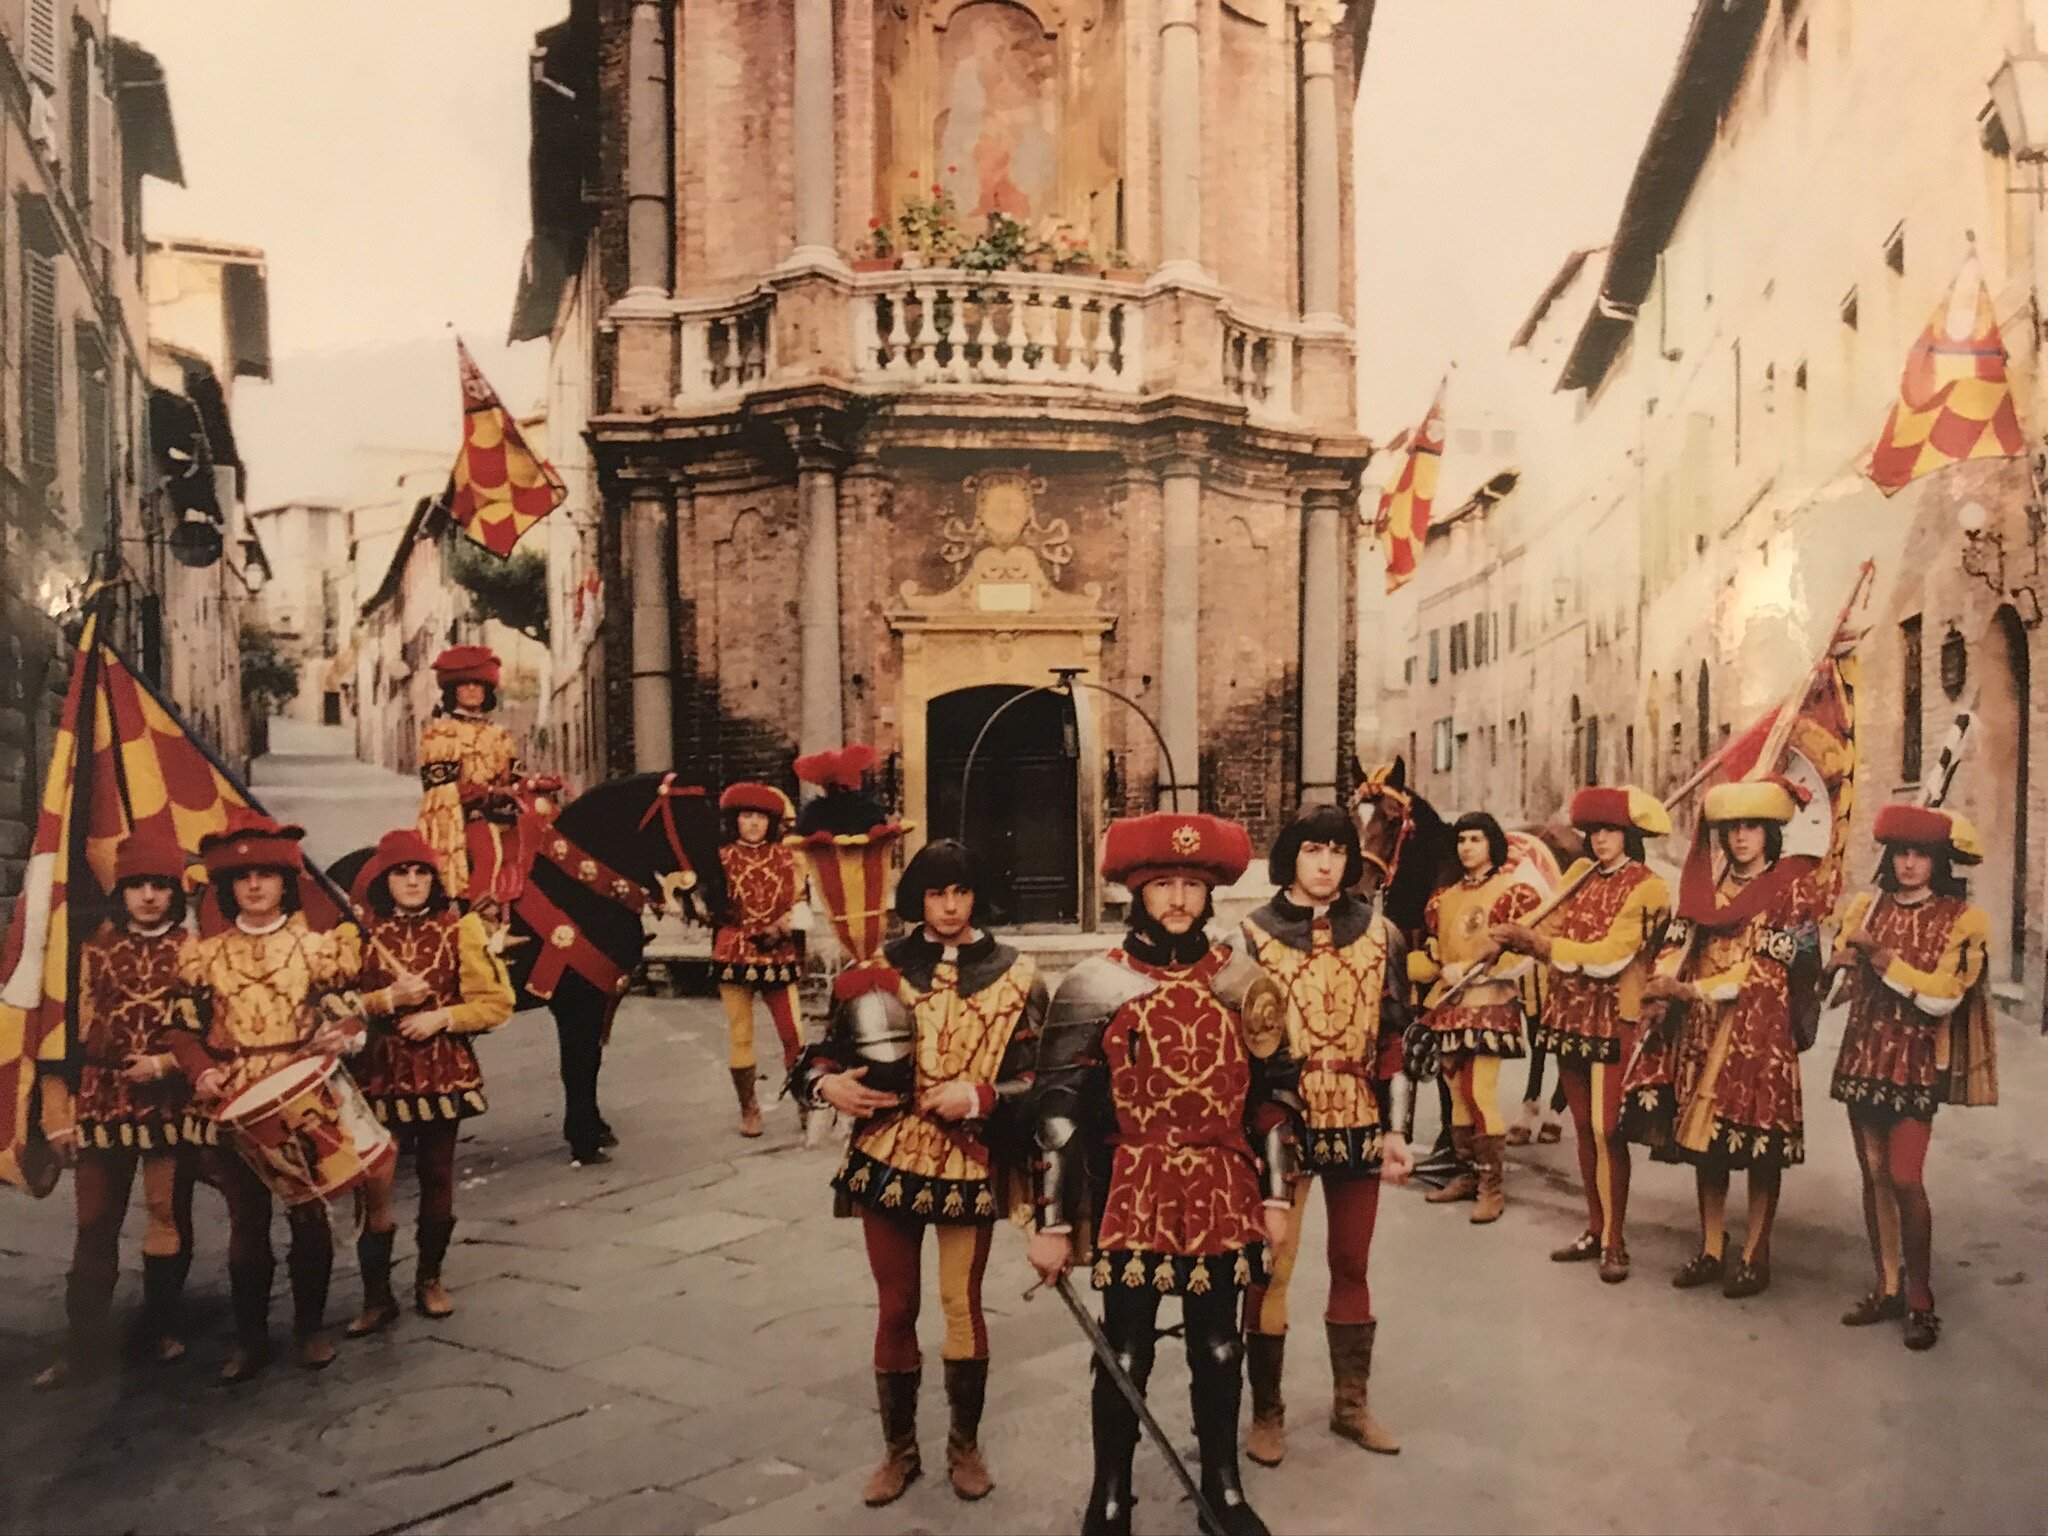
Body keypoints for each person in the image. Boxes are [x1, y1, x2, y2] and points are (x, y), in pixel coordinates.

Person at [1029, 811, 1297, 1536]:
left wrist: (1276, 1196)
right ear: (1137, 893)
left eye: (1191, 885)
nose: (1178, 899)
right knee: (1126, 1348)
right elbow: (1060, 1113)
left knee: (1219, 1346)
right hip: (1135, 1188)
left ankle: (1223, 1488)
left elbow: (1274, 1099)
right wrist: (1051, 1221)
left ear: (1211, 895)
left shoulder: (1244, 982)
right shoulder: (1093, 986)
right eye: (1163, 885)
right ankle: (1110, 1496)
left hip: (1222, 1183)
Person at [799, 839, 1046, 1506]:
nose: (949, 905)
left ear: (976, 896)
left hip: (970, 1160)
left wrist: (982, 1097)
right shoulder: (873, 973)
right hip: (886, 1158)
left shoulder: (1020, 974)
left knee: (960, 1305)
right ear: (919, 900)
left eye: (961, 891)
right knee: (896, 1305)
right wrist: (828, 1088)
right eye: (937, 893)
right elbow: (820, 1054)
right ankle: (898, 1450)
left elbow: (1040, 1079)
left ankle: (964, 1446)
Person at [1239, 804, 1414, 1466]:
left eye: (1337, 851)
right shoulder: (1250, 937)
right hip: (1282, 1117)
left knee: (1351, 1262)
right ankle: (1267, 1413)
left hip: (1359, 1117)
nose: (1325, 863)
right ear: (1292, 856)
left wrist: (1396, 1130)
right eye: (1313, 849)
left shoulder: (1382, 934)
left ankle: (1350, 1405)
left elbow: (1395, 1037)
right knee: (1272, 1267)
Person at [166, 811, 365, 1380]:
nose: (254, 886)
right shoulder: (204, 956)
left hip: (302, 1091)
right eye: (242, 877)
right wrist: (201, 1069)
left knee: (309, 1215)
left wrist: (342, 1035)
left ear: (285, 883)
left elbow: (350, 1015)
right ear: (228, 888)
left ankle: (310, 1330)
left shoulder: (318, 949)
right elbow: (180, 1029)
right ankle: (251, 1338)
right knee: (246, 1221)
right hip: (234, 1097)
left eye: (266, 875)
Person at [1624, 778, 1822, 1299]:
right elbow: (1677, 939)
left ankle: (1757, 1253)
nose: (1740, 838)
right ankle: (1712, 1247)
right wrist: (1666, 978)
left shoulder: (1788, 893)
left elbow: (1770, 972)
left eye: (1751, 827)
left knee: (1760, 1147)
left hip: (1760, 1029)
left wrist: (1689, 989)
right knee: (1705, 1143)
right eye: (1730, 829)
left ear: (1771, 833)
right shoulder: (1705, 888)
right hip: (1703, 1028)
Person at [32, 833, 200, 1388]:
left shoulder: (195, 953)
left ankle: (161, 1327)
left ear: (175, 894)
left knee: (165, 1213)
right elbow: (61, 1039)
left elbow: (211, 1034)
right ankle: (82, 1346)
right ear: (121, 893)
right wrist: (59, 1113)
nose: (149, 897)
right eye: (137, 887)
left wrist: (167, 1065)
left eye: (160, 886)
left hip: (168, 1102)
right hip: (102, 1100)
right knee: (94, 1222)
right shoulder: (90, 951)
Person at [1828, 803, 1995, 1351]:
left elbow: (1942, 997)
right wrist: (1840, 963)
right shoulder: (1866, 907)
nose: (1909, 864)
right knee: (1873, 1173)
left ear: (1939, 862)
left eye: (1921, 854)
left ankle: (1921, 1299)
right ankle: (1888, 1286)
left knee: (1905, 1176)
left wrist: (1880, 958)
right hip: (1863, 1050)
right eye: (1901, 852)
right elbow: (1841, 965)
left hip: (1916, 1057)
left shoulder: (1961, 919)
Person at [1493, 786, 1672, 1283]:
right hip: (1569, 1013)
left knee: (1607, 1128)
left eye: (1610, 831)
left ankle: (1616, 1241)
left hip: (1616, 1015)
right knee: (1582, 1128)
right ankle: (1594, 1228)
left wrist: (1539, 945)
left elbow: (1612, 956)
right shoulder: (1576, 876)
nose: (1600, 841)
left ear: (1629, 834)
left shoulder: (1649, 888)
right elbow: (1547, 920)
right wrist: (1507, 938)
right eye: (1593, 832)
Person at [345, 829, 516, 1336]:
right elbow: (328, 1005)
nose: (414, 881)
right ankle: (377, 1295)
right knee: (374, 1186)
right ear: (384, 879)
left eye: (422, 872)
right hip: (377, 1072)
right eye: (402, 872)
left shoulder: (459, 928)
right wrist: (387, 1000)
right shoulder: (357, 932)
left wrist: (441, 1018)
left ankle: (430, 1279)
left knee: (437, 1177)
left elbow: (497, 1003)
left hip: (441, 1071)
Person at [1407, 811, 1539, 1223]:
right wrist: (1420, 966)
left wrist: (1469, 970)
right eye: (1462, 839)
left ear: (1492, 844)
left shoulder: (1512, 892)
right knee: (1458, 1097)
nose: (1467, 847)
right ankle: (1467, 1173)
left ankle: (1491, 1187)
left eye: (1476, 839)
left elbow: (1522, 955)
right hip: (1449, 1007)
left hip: (1490, 1003)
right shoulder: (1444, 899)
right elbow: (1435, 953)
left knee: (1480, 1092)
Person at [714, 781, 803, 1137]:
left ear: (771, 822)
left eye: (760, 817)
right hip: (734, 952)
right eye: (746, 816)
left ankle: (804, 1099)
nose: (752, 824)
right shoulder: (720, 859)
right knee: (741, 1033)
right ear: (736, 820)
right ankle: (748, 1108)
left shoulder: (788, 858)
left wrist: (782, 926)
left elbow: (801, 901)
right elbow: (706, 903)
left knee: (792, 1032)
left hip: (778, 951)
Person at [415, 644, 524, 912]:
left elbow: (516, 777)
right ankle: (481, 921)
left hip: (503, 815)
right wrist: (487, 794)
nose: (473, 689)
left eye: (478, 684)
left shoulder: (500, 734)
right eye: (465, 684)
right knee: (488, 850)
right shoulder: (441, 733)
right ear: (453, 690)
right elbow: (440, 789)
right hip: (462, 819)